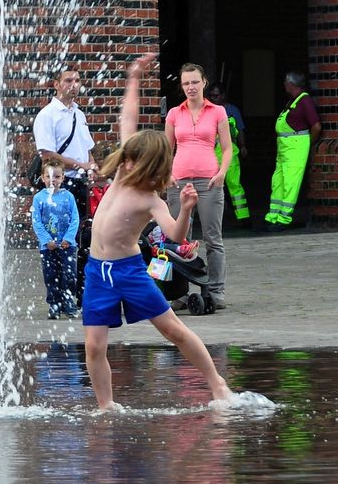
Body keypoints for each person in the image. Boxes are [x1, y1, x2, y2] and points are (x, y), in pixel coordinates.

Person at [82, 54, 231, 411]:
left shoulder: (150, 199)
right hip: (96, 270)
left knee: (173, 330)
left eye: (132, 157)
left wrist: (188, 208)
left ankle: (218, 384)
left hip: (129, 271)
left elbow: (177, 238)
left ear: (146, 163)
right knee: (93, 346)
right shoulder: (120, 176)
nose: (125, 159)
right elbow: (128, 120)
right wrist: (134, 77)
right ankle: (106, 406)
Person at [164, 64, 232, 311]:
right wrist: (167, 175)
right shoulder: (174, 113)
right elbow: (166, 149)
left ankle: (216, 290)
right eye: (185, 83)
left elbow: (227, 148)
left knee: (213, 238)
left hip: (209, 181)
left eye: (194, 82)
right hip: (179, 182)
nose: (190, 87)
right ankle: (181, 292)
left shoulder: (218, 112)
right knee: (179, 240)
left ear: (204, 82)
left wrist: (222, 173)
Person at [32, 65, 97, 219]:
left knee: (78, 229)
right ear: (57, 85)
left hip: (80, 182)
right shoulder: (47, 115)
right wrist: (82, 166)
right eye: (68, 80)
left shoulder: (79, 115)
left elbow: (87, 149)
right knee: (58, 232)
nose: (74, 84)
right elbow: (47, 156)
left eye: (77, 80)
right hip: (59, 182)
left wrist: (92, 167)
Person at [265, 71, 321, 229]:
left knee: (291, 182)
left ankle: (283, 219)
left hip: (295, 146)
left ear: (291, 84)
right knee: (278, 181)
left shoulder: (304, 100)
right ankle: (273, 216)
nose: (283, 84)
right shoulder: (293, 100)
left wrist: (306, 143)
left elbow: (316, 126)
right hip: (284, 146)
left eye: (285, 82)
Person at [31, 159, 80, 319]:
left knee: (69, 274)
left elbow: (75, 219)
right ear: (43, 178)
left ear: (63, 178)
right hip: (48, 247)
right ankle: (54, 304)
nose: (53, 180)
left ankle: (68, 302)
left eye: (57, 176)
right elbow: (36, 221)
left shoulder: (69, 197)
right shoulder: (39, 198)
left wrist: (68, 238)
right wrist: (46, 240)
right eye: (49, 176)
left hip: (68, 245)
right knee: (50, 275)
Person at [76, 142, 116, 309]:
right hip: (93, 229)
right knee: (86, 257)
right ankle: (83, 294)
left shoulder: (114, 187)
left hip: (111, 229)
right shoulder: (87, 187)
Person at [206, 81, 250, 226]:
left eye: (217, 95)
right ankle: (212, 219)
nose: (214, 98)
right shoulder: (205, 111)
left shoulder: (232, 110)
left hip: (230, 153)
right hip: (210, 154)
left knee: (234, 185)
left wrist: (243, 145)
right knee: (210, 187)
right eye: (211, 96)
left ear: (223, 95)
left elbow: (240, 129)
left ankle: (243, 217)